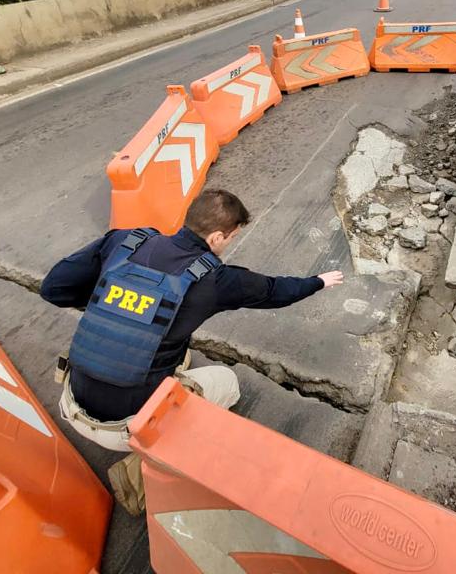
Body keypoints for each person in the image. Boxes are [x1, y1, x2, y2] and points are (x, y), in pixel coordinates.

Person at [41, 188, 343, 452]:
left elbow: (54, 288)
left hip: (70, 402)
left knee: (171, 344)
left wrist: (113, 305)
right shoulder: (215, 279)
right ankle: (164, 448)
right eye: (231, 237)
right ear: (216, 237)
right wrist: (319, 281)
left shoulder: (124, 240)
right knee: (228, 382)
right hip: (126, 428)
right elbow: (276, 292)